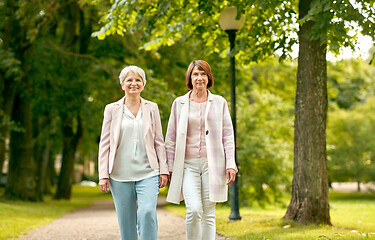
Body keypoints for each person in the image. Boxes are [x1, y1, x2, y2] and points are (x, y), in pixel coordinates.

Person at [165, 60, 238, 240]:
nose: (199, 78)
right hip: (187, 165)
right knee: (194, 209)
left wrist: (231, 164)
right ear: (190, 77)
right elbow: (171, 138)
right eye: (195, 74)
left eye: (203, 74)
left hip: (212, 165)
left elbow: (228, 136)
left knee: (208, 213)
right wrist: (168, 167)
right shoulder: (179, 103)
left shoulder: (219, 102)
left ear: (209, 77)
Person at [98, 65, 169, 240]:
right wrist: (103, 175)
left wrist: (164, 170)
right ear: (122, 84)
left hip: (148, 172)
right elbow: (105, 144)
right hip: (119, 174)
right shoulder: (112, 109)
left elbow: (159, 141)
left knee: (147, 214)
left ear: (143, 84)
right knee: (126, 223)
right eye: (129, 80)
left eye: (138, 80)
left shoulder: (152, 108)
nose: (133, 83)